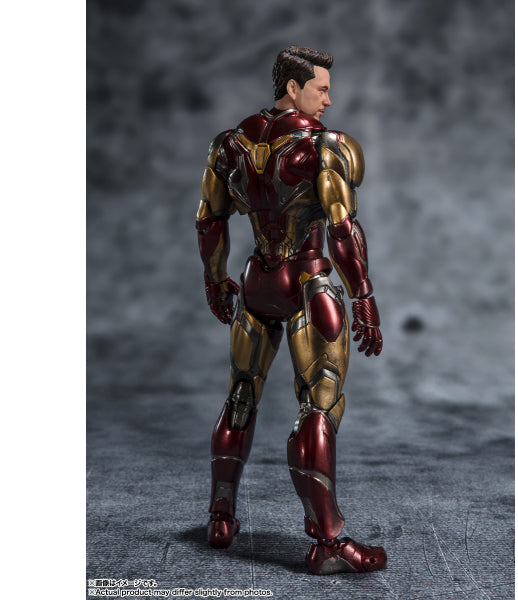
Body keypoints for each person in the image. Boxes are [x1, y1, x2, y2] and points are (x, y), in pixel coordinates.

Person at [196, 45, 386, 575]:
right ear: (293, 88)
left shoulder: (230, 144)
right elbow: (342, 227)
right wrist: (364, 295)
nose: (329, 100)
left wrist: (215, 279)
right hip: (306, 280)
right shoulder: (323, 148)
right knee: (319, 405)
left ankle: (220, 517)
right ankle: (328, 542)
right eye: (321, 89)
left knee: (241, 395)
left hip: (256, 281)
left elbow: (209, 218)